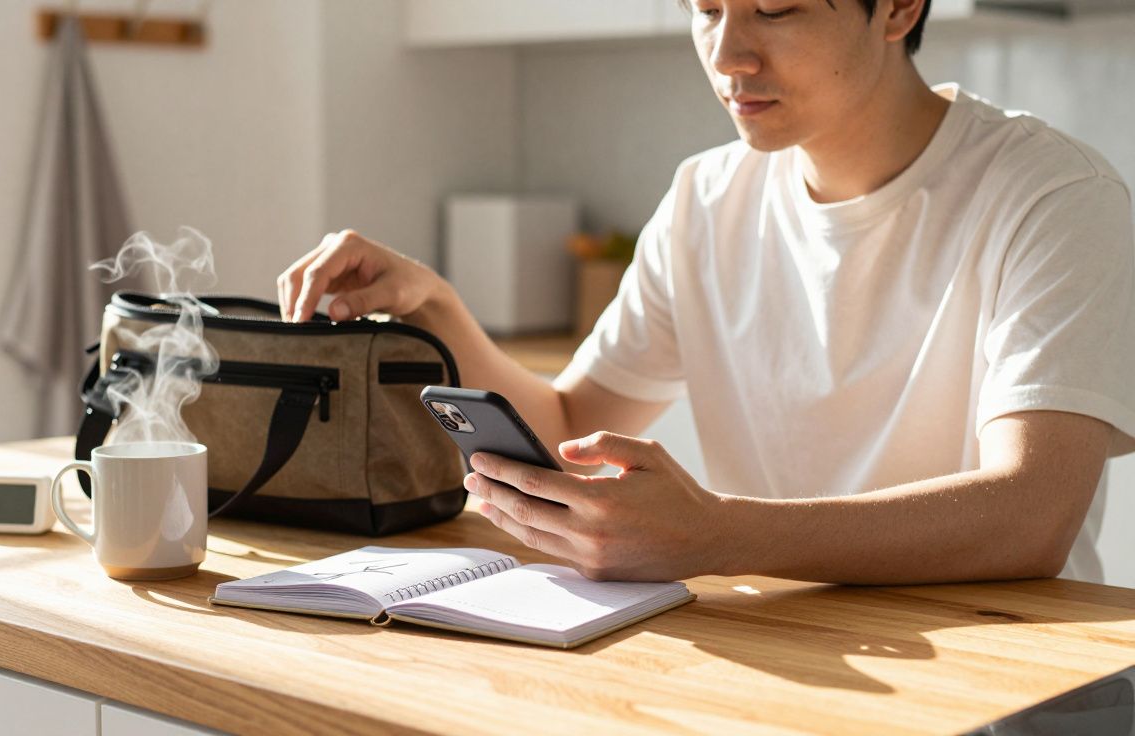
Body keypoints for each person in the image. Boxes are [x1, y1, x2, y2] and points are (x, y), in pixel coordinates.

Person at [277, 0, 1135, 585]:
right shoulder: (707, 196)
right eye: (705, 8)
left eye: (775, 8)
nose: (727, 56)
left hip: (1003, 674)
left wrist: (720, 535)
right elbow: (572, 425)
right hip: (777, 650)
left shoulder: (1054, 196)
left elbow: (1031, 512)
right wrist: (433, 307)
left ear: (900, 8)